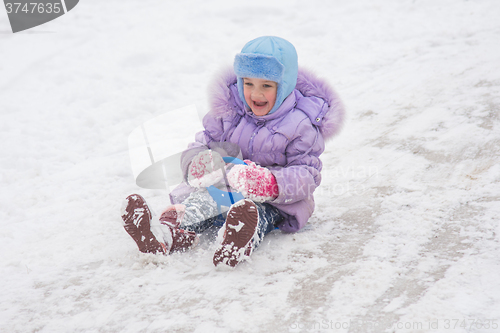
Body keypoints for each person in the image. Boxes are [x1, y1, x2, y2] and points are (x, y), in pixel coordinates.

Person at [121, 36, 345, 268]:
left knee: (254, 212)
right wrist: (199, 163)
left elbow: (308, 174)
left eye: (266, 86)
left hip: (274, 201)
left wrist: (270, 184)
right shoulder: (229, 110)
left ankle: (237, 240)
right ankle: (165, 235)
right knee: (196, 203)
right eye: (248, 84)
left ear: (285, 84)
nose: (256, 94)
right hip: (222, 189)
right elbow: (203, 142)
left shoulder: (301, 125)